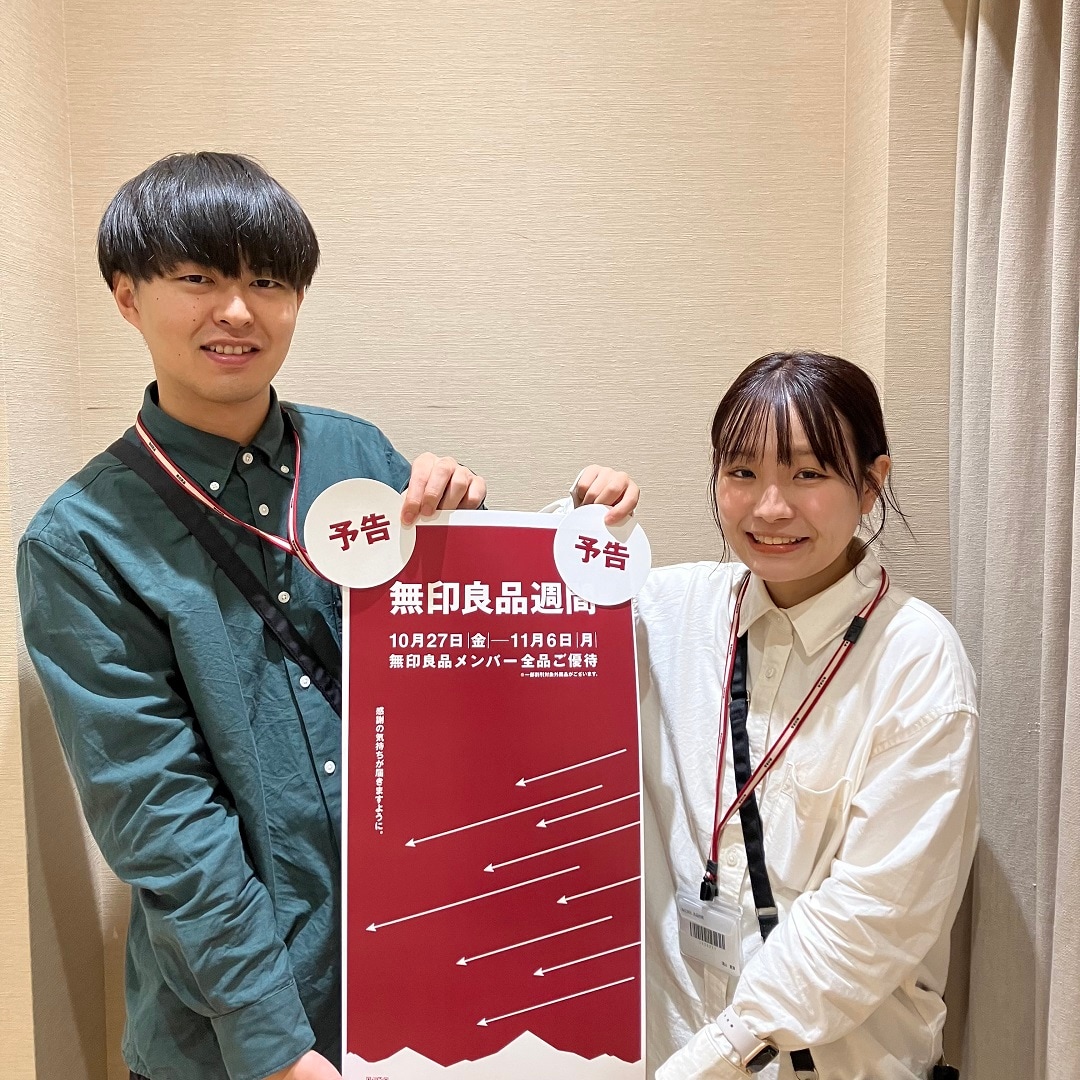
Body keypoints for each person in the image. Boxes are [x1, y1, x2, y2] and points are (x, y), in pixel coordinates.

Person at [16, 152, 639, 1080]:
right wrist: (276, 1048)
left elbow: (473, 684)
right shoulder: (80, 540)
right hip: (229, 1039)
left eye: (268, 282)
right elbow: (160, 818)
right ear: (127, 296)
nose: (238, 311)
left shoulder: (358, 456)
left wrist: (568, 536)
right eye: (199, 279)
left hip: (422, 996)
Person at [637, 351, 977, 1079]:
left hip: (840, 1064)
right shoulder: (676, 611)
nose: (770, 508)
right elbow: (530, 619)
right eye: (742, 472)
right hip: (674, 1040)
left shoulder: (916, 660)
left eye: (808, 474)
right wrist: (549, 521)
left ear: (871, 482)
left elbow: (871, 918)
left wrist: (711, 1060)